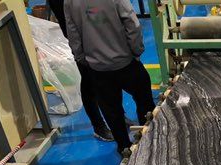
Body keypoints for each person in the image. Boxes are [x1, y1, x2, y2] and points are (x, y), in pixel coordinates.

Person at [64, 0, 155, 154]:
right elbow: (132, 24)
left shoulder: (69, 2)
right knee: (144, 101)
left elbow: (73, 34)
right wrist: (136, 51)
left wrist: (83, 59)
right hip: (126, 63)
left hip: (98, 69)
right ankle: (151, 140)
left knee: (112, 111)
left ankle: (124, 147)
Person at [48, 0, 113, 142]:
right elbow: (67, 20)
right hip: (79, 34)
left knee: (107, 73)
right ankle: (99, 125)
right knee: (89, 78)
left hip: (93, 25)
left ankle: (117, 116)